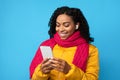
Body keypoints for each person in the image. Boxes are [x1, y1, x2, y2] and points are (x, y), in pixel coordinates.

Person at [29, 6, 99, 80]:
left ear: (76, 25)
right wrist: (42, 72)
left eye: (66, 25)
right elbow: (33, 78)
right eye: (58, 25)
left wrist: (69, 70)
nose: (61, 29)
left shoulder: (91, 50)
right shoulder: (46, 45)